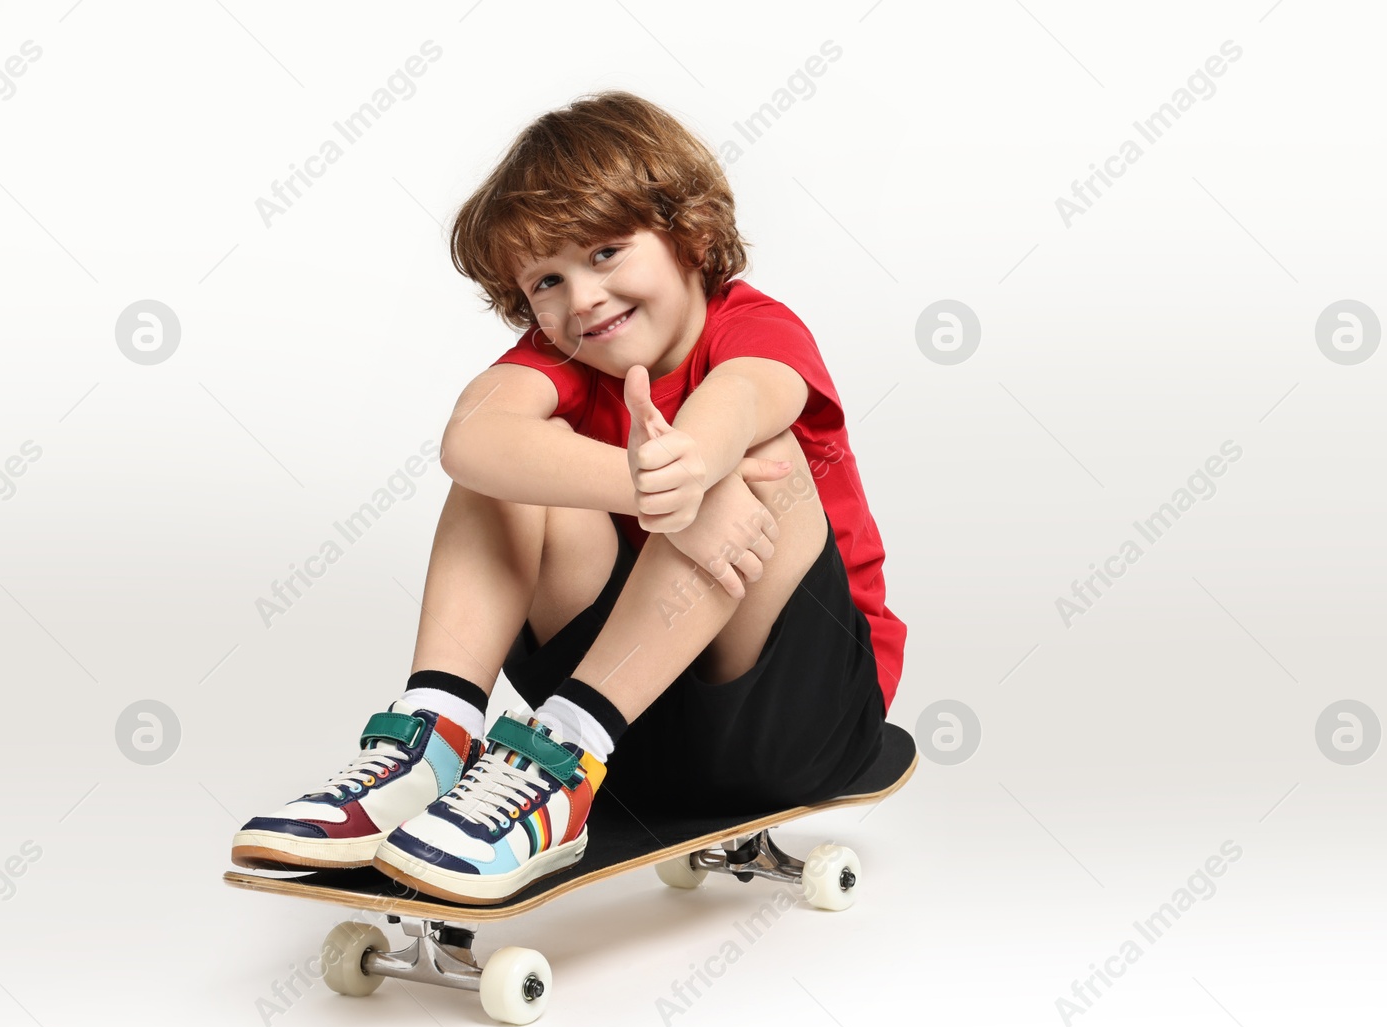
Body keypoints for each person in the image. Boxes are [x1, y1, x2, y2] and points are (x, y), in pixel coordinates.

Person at [231, 90, 905, 906]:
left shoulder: (754, 326)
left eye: (607, 252)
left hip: (796, 721)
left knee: (754, 459)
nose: (582, 297)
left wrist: (693, 470)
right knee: (506, 465)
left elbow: (752, 397)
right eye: (548, 278)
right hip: (635, 734)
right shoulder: (565, 359)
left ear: (689, 234)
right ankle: (436, 736)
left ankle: (567, 745)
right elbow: (470, 438)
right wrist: (649, 487)